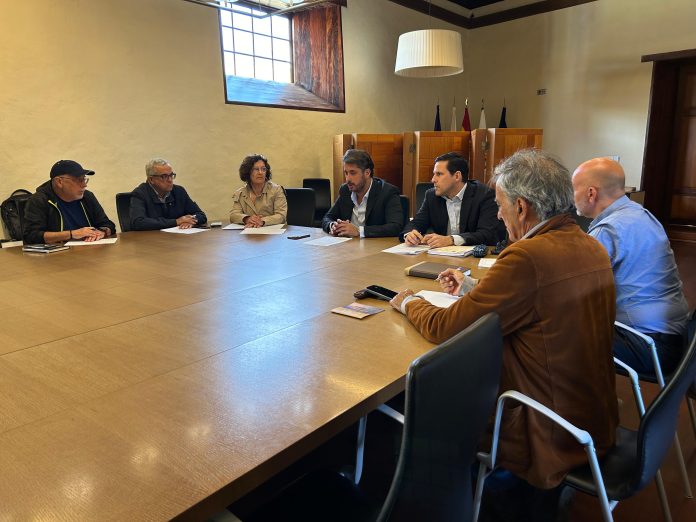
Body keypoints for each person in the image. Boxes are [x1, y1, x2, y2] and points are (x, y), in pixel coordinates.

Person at [391, 149, 618, 493]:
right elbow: (540, 299)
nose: (498, 214)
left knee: (429, 393)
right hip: (592, 416)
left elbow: (445, 328)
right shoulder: (590, 244)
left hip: (544, 429)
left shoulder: (527, 256)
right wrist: (474, 288)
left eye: (500, 205)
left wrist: (409, 302)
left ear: (522, 207)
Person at [572, 157, 690, 375]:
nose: (572, 196)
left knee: (551, 335)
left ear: (591, 193)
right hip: (682, 338)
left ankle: (580, 399)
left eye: (574, 189)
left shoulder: (607, 230)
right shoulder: (643, 215)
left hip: (651, 346)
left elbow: (573, 287)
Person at [400, 152, 505, 247]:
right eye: (434, 174)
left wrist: (451, 239)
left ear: (457, 176)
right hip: (440, 257)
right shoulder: (431, 196)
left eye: (439, 174)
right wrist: (409, 234)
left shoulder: (484, 195)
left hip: (473, 257)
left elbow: (487, 234)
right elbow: (416, 223)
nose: (433, 179)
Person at [23, 160, 116, 244]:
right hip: (56, 255)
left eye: (84, 179)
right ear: (59, 182)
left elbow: (108, 224)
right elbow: (31, 236)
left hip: (89, 252)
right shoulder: (39, 200)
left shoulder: (87, 196)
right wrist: (72, 234)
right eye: (79, 180)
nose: (84, 185)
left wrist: (102, 232)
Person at [322, 149, 403, 237]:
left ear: (367, 173)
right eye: (346, 173)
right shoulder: (345, 190)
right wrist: (332, 226)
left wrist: (359, 231)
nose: (348, 179)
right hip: (348, 244)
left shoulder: (387, 192)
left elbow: (396, 227)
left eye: (353, 173)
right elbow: (327, 217)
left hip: (375, 244)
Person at [129, 158, 207, 231]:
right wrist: (176, 222)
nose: (170, 180)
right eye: (164, 176)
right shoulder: (140, 194)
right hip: (152, 239)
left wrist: (190, 221)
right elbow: (138, 222)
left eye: (171, 175)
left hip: (177, 237)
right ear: (151, 179)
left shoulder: (179, 191)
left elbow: (200, 215)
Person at [229, 154, 287, 227]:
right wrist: (247, 219)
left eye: (263, 169)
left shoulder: (276, 190)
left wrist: (262, 221)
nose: (260, 172)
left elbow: (281, 216)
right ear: (248, 172)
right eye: (256, 169)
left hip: (272, 232)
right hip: (249, 231)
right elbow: (233, 215)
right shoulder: (240, 192)